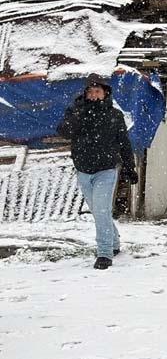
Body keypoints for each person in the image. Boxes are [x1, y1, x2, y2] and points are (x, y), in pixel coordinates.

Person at [56, 74, 138, 270]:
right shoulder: (77, 111)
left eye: (97, 91)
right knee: (98, 212)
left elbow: (124, 143)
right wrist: (77, 114)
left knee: (101, 211)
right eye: (90, 92)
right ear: (85, 94)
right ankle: (115, 243)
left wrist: (129, 167)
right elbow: (63, 131)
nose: (93, 95)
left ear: (105, 93)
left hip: (106, 170)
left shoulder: (114, 115)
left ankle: (104, 253)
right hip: (83, 170)